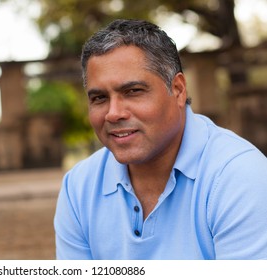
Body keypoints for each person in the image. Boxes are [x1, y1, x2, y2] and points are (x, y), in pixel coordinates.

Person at [54, 19, 267, 260]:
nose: (113, 113)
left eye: (133, 91)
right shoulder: (79, 187)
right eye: (99, 98)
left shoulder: (238, 177)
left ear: (177, 89)